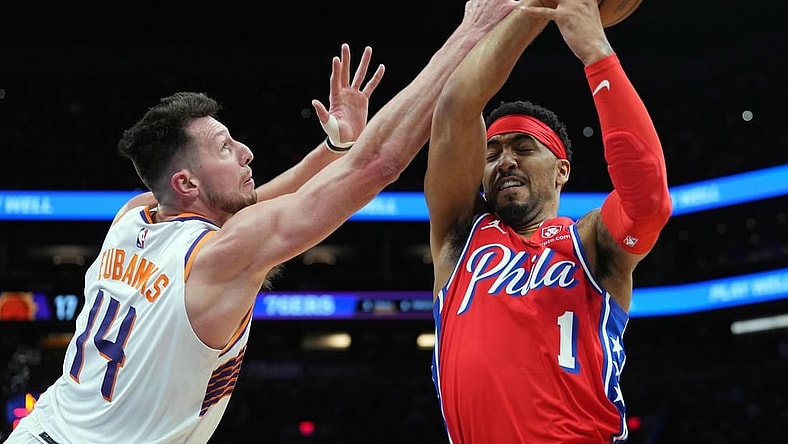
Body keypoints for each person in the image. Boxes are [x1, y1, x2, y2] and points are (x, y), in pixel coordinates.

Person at [4, 0, 521, 442]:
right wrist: (471, 32)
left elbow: (258, 204)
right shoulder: (215, 259)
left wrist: (333, 147)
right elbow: (378, 165)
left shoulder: (134, 216)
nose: (247, 151)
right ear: (186, 184)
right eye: (226, 147)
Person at [426, 0, 672, 442]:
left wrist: (596, 51)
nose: (504, 161)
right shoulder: (461, 237)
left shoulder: (590, 241)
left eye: (523, 148)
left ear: (561, 170)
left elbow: (649, 201)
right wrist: (537, 7)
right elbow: (456, 108)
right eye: (492, 152)